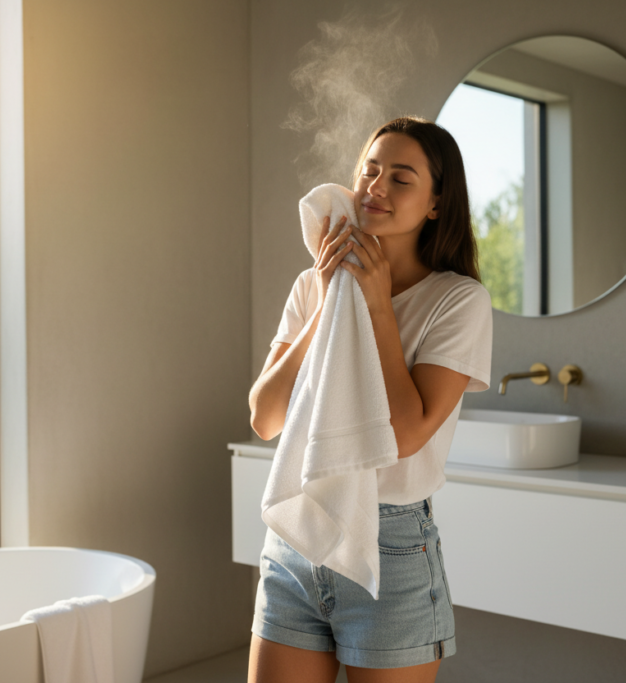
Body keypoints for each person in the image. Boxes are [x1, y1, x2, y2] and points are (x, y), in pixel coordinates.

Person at [247, 116, 494, 683]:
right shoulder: (313, 284)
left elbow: (406, 437)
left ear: (436, 203)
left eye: (401, 178)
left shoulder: (457, 301)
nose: (376, 187)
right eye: (370, 170)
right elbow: (264, 417)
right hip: (295, 544)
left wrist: (378, 303)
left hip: (394, 552)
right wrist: (332, 299)